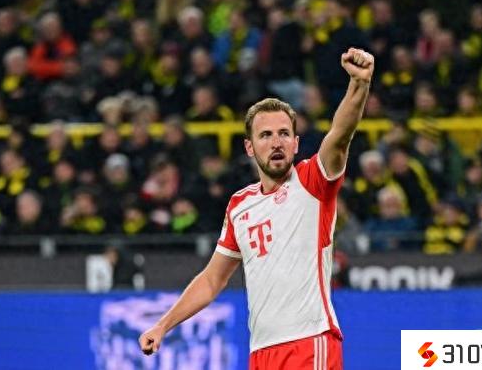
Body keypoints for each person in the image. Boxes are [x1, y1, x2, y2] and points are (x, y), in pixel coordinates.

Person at [138, 48, 374, 369]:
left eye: (284, 134)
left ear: (296, 143)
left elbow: (340, 135)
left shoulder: (312, 182)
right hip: (261, 352)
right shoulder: (240, 205)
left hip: (310, 341)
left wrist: (359, 84)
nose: (276, 142)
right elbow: (212, 280)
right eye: (265, 135)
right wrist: (162, 325)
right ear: (250, 147)